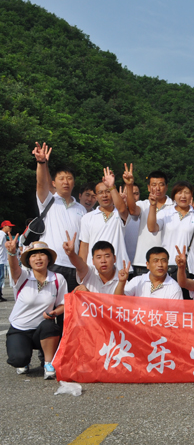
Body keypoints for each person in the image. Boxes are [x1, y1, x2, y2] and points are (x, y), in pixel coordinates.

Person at [5, 238, 66, 379]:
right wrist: (12, 253)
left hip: (42, 329)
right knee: (18, 359)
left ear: (49, 259)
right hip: (20, 329)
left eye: (42, 254)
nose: (38, 258)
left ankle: (48, 363)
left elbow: (63, 304)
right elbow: (14, 268)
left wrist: (55, 312)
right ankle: (24, 360)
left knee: (50, 326)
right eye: (33, 255)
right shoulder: (23, 276)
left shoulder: (58, 279)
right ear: (28, 261)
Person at [33, 142, 87, 290]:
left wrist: (82, 265)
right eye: (61, 178)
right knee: (49, 303)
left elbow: (84, 242)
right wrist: (41, 163)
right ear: (53, 183)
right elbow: (40, 184)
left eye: (69, 178)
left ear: (74, 183)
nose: (65, 182)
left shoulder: (82, 210)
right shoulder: (48, 201)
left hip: (74, 266)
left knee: (70, 304)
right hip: (52, 264)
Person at [148, 181, 194, 280]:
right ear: (174, 196)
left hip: (191, 268)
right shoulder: (165, 214)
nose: (183, 196)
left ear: (191, 195)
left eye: (186, 192)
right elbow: (152, 228)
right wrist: (152, 206)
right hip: (168, 267)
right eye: (179, 193)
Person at [124, 166, 174, 277]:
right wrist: (129, 185)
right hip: (142, 262)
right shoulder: (143, 205)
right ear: (148, 187)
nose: (157, 188)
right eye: (154, 185)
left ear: (166, 187)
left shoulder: (174, 208)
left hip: (167, 263)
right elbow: (132, 210)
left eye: (161, 185)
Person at [78, 168, 129, 271]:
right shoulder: (87, 218)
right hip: (93, 271)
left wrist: (111, 186)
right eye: (100, 192)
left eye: (108, 191)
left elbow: (122, 209)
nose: (105, 195)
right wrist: (81, 271)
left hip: (119, 270)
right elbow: (84, 247)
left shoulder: (120, 214)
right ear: (96, 197)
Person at [114, 247, 182, 299]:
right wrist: (122, 282)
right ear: (147, 265)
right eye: (155, 261)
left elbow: (176, 312)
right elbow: (118, 300)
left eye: (163, 261)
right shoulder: (137, 281)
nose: (160, 265)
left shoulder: (174, 287)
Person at [120, 181, 141, 264]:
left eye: (136, 194)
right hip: (120, 263)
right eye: (129, 193)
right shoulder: (114, 213)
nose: (132, 197)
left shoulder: (144, 212)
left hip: (139, 263)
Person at [0, 220, 12, 298]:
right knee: (0, 278)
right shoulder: (1, 234)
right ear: (4, 226)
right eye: (9, 226)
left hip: (1, 259)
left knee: (1, 278)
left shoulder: (3, 235)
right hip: (0, 260)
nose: (10, 228)